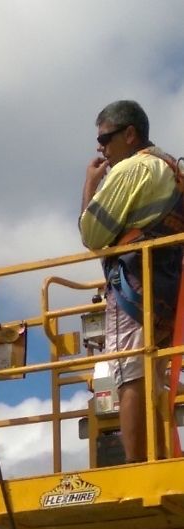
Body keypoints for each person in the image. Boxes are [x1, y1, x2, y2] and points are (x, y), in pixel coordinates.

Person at [79, 100, 184, 463]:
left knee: (130, 374)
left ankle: (137, 464)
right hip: (169, 289)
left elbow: (91, 234)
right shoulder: (172, 168)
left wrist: (90, 185)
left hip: (135, 287)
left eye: (106, 139)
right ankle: (158, 456)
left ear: (129, 134)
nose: (102, 148)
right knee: (153, 374)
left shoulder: (132, 169)